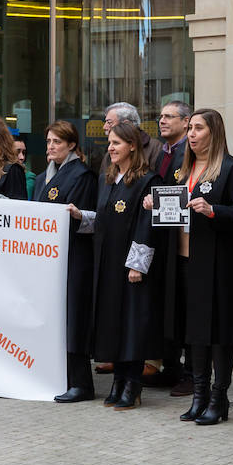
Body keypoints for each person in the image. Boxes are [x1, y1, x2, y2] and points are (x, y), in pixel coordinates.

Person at [165, 109, 233, 424]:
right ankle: (198, 396)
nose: (192, 134)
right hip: (185, 260)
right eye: (190, 129)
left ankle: (219, 397)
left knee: (217, 332)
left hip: (217, 262)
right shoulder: (181, 169)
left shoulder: (232, 169)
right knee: (194, 331)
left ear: (214, 132)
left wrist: (215, 211)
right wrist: (153, 204)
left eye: (198, 128)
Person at [81, 121, 161, 410]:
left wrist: (137, 265)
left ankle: (132, 385)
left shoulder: (148, 181)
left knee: (132, 325)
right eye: (110, 143)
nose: (110, 148)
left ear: (132, 146)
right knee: (112, 324)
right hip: (107, 264)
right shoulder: (108, 179)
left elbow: (147, 224)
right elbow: (103, 220)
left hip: (131, 268)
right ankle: (117, 381)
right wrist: (80, 217)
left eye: (116, 143)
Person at [39, 121, 99, 402]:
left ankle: (81, 382)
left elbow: (86, 219)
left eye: (57, 142)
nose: (50, 147)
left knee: (73, 318)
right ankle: (58, 376)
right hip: (49, 259)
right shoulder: (43, 178)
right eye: (48, 141)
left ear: (72, 145)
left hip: (75, 256)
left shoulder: (82, 176)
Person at [151, 98, 195, 394]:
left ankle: (191, 373)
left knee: (188, 309)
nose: (162, 121)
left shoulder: (187, 155)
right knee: (168, 306)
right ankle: (171, 366)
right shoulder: (161, 153)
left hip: (186, 243)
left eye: (169, 117)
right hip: (164, 241)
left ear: (185, 122)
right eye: (161, 116)